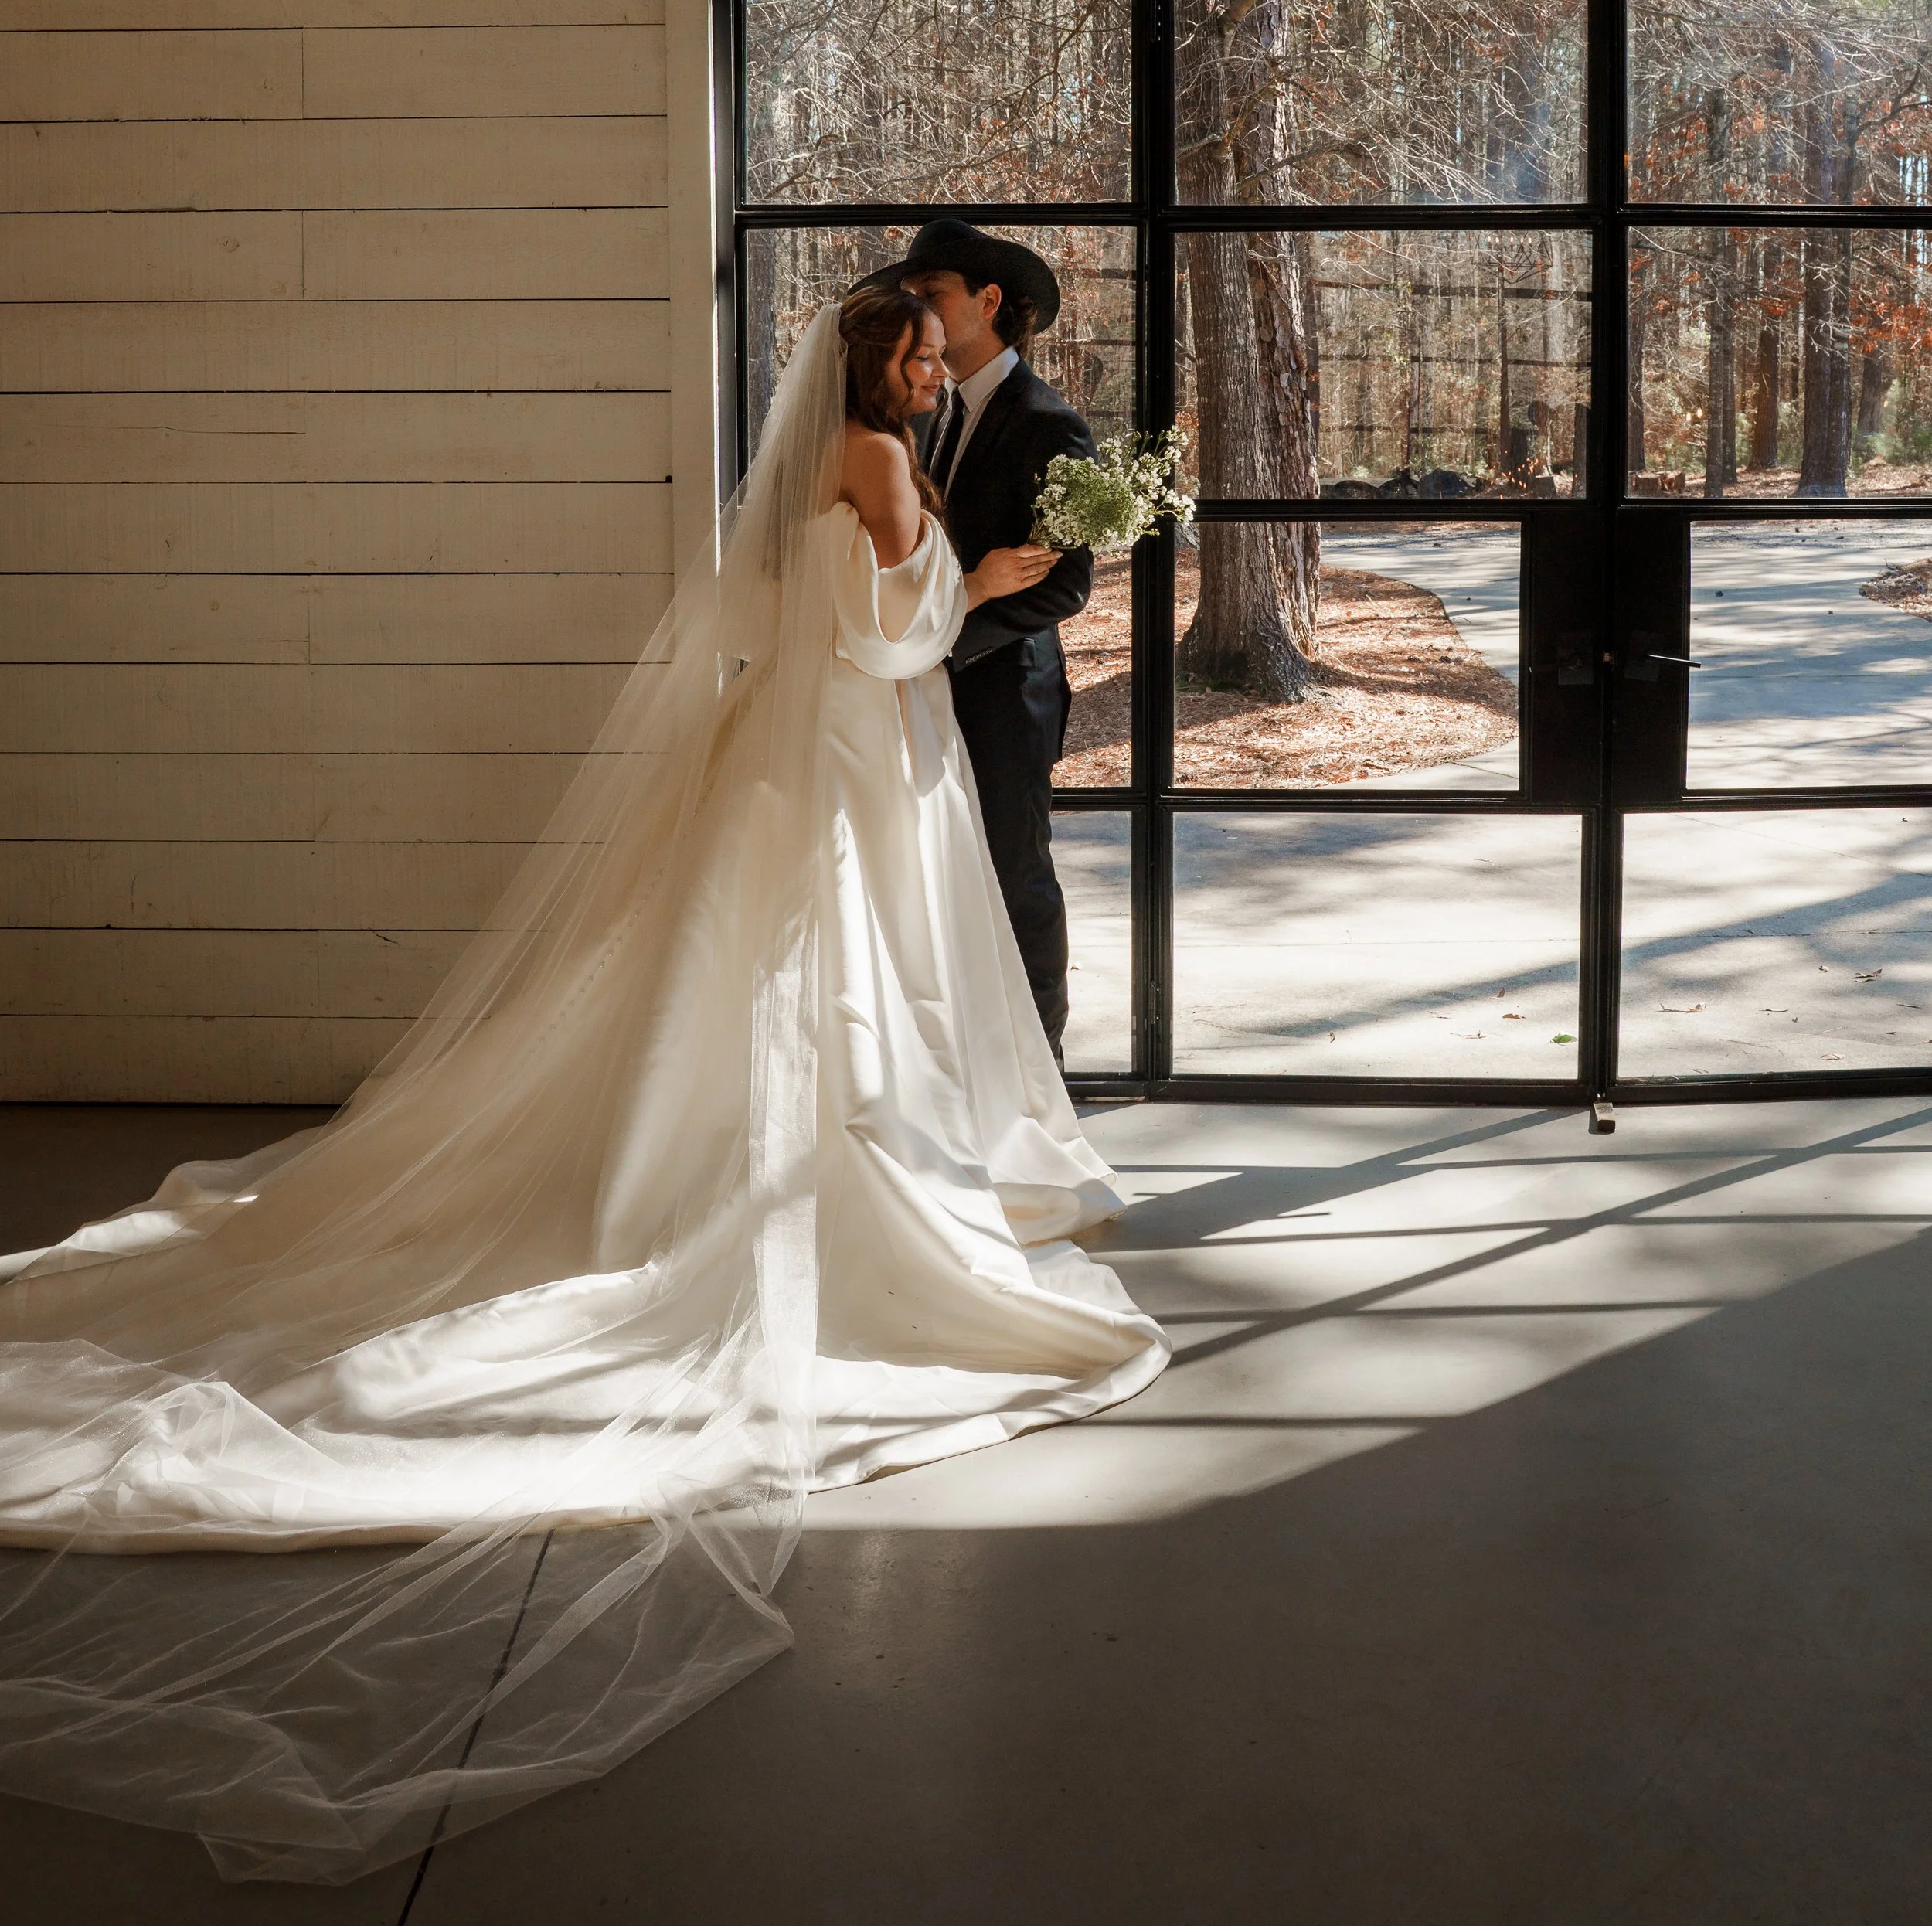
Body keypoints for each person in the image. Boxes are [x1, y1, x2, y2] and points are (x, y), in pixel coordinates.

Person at [0, 288, 1166, 1885]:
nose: (923, 369)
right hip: (845, 752)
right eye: (908, 353)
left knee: (763, 987)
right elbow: (891, 636)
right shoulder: (882, 459)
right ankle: (784, 1197)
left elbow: (809, 615)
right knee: (831, 992)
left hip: (787, 744)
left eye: (922, 353)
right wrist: (993, 577)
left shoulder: (831, 453)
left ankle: (674, 1173)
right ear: (871, 364)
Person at [876, 219, 1096, 1060]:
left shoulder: (1048, 424)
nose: (917, 312)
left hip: (1006, 693)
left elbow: (1067, 584)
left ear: (988, 302)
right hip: (919, 684)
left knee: (1016, 880)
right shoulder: (925, 416)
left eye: (931, 294)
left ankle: (1043, 1075)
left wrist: (944, 638)